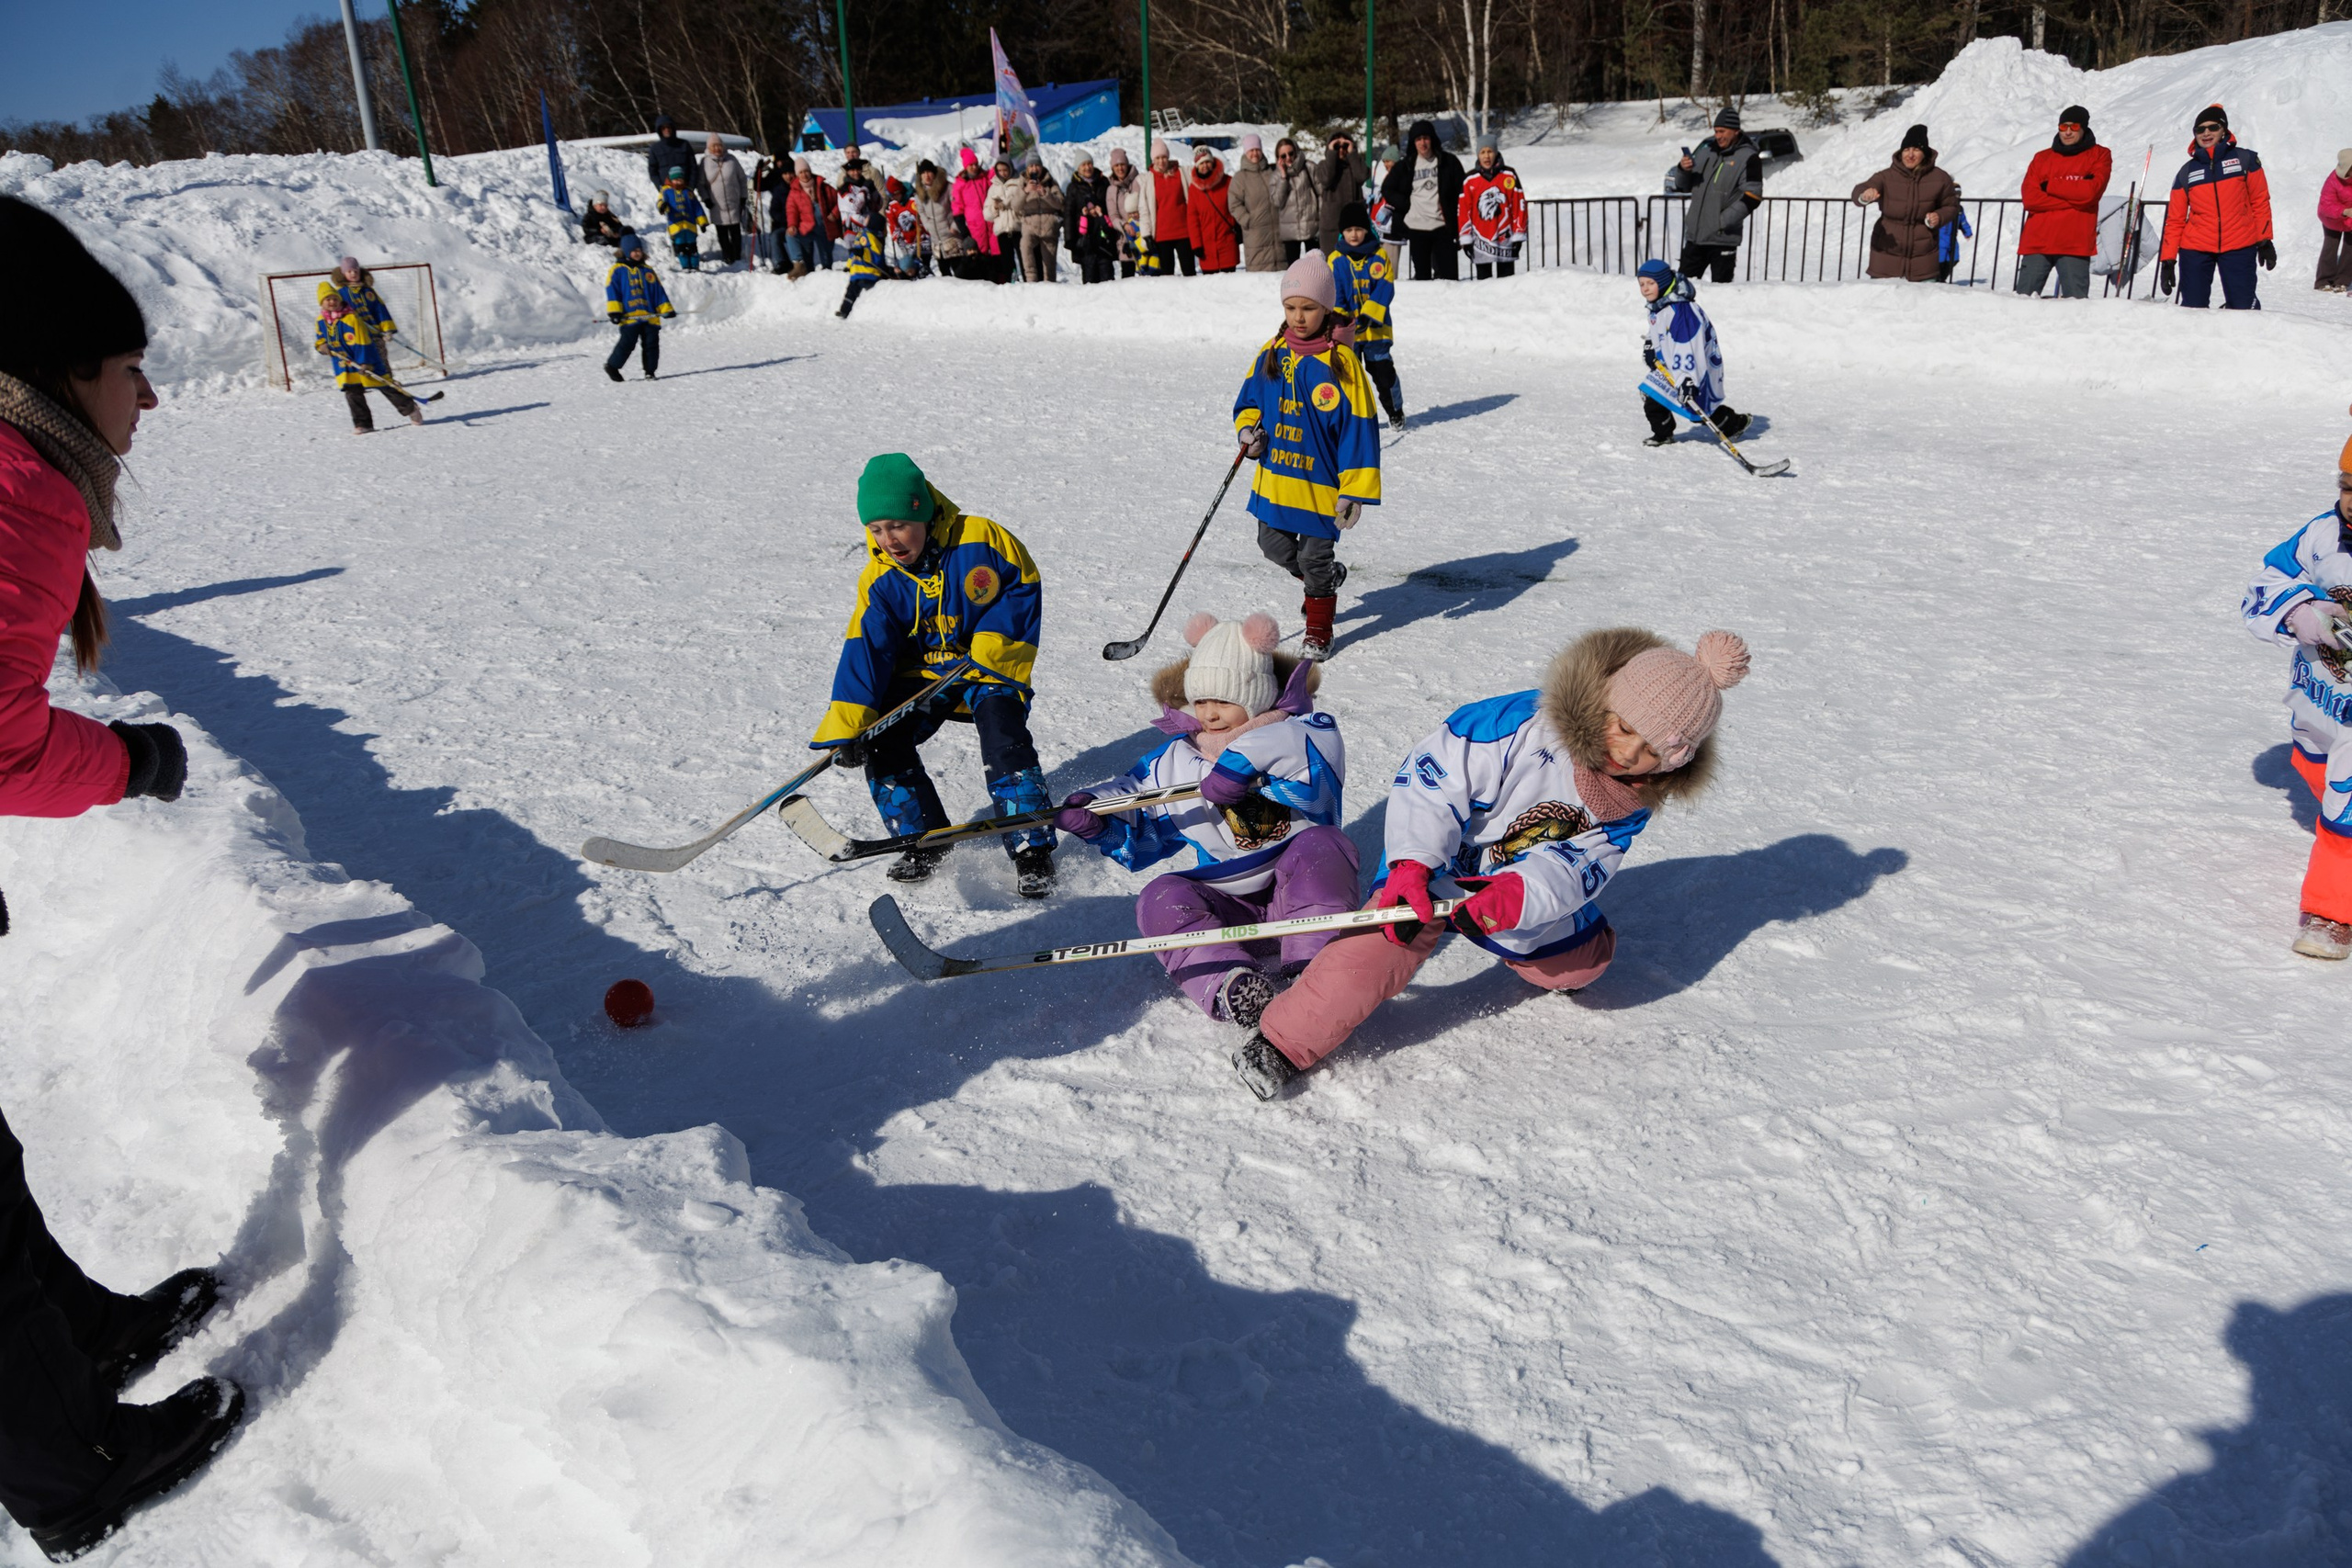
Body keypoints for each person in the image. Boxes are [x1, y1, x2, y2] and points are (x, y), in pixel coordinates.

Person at [0, 192, 243, 1563]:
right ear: (52, 373)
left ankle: (75, 1341)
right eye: (124, 362)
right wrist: (133, 760)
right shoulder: (17, 481)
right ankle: (70, 1468)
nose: (146, 391)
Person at [1231, 626, 1750, 1100]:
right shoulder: (1517, 725)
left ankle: (1576, 938)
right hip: (1433, 865)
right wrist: (1412, 863)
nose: (1629, 752)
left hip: (1515, 889)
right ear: (1605, 701)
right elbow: (1433, 784)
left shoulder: (1629, 800)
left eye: (1654, 750)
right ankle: (1282, 1042)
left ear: (1675, 761)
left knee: (1582, 966)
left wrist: (1521, 896)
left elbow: (1583, 861)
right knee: (1381, 943)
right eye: (1623, 726)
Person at [1054, 612, 1353, 1028]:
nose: (1210, 714)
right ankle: (1229, 981)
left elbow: (1315, 760)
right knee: (1160, 895)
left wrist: (1244, 763)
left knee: (1325, 846)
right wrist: (1098, 812)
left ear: (1257, 697)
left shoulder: (1302, 731)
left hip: (1294, 886)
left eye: (1225, 701)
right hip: (1231, 900)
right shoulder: (1178, 757)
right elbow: (1136, 793)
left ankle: (1314, 966)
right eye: (1202, 701)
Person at [812, 453, 1056, 897]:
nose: (889, 540)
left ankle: (1031, 848)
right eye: (876, 529)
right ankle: (925, 839)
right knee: (882, 740)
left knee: (1004, 739)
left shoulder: (983, 540)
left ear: (922, 511)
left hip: (988, 668)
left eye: (899, 525)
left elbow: (1022, 585)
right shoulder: (880, 578)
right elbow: (866, 651)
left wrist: (991, 647)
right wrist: (847, 728)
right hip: (926, 674)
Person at [1232, 256, 1383, 662]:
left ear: (1326, 308)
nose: (1299, 317)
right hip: (1276, 480)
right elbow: (1250, 401)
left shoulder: (1342, 364)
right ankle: (1325, 582)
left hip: (1320, 488)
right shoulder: (1274, 351)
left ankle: (1319, 628)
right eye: (1291, 307)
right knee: (1272, 546)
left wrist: (1354, 491)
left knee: (1313, 558)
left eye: (1309, 308)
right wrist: (1248, 433)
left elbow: (1360, 430)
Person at [2240, 440, 2352, 956]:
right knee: (2313, 768)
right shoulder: (2322, 535)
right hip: (2317, 701)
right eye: (2347, 487)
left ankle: (2330, 914)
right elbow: (2267, 581)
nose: (2351, 500)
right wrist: (2298, 610)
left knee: (2346, 808)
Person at [2158, 104, 2276, 310]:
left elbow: (2260, 202)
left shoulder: (2244, 160)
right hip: (2196, 248)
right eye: (2200, 129)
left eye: (2213, 127)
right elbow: (2175, 220)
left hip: (2239, 244)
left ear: (2224, 130)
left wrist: (2264, 240)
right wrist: (2168, 260)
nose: (2206, 133)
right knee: (2192, 309)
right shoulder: (2187, 172)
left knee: (2243, 308)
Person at [1635, 258, 1747, 446]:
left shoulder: (1682, 311)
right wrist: (1650, 345)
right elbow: (1658, 329)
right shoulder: (1660, 304)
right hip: (1671, 366)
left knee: (1699, 411)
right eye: (1642, 284)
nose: (1645, 288)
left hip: (1692, 370)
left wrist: (1687, 379)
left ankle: (1736, 423)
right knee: (1652, 397)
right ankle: (1663, 433)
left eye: (1651, 283)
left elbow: (1688, 347)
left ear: (1662, 283)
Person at [2012, 106, 2109, 299]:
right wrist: (2076, 200)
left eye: (2073, 126)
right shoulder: (2042, 158)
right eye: (2063, 126)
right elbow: (2030, 199)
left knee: (2075, 306)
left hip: (2075, 242)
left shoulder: (2100, 155)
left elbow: (2091, 192)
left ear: (2083, 128)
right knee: (2021, 302)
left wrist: (2049, 186)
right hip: (2038, 241)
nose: (2067, 131)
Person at [1851, 124, 1961, 283]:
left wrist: (1939, 216)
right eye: (1906, 150)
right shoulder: (1886, 176)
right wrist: (1864, 195)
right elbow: (1859, 191)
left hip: (1924, 260)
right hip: (1886, 257)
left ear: (1925, 153)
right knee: (1881, 306)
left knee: (1920, 305)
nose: (1910, 155)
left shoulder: (1940, 178)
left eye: (1916, 150)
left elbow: (1951, 206)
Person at [1329, 200, 1404, 429]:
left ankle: (1395, 411)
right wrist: (1345, 320)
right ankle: (1348, 418)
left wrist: (1369, 315)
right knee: (1346, 376)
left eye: (1359, 229)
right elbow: (1335, 294)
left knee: (1383, 374)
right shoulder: (1335, 260)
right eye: (1349, 230)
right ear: (1342, 232)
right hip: (1347, 332)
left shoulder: (1379, 256)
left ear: (1366, 229)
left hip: (1376, 331)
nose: (1354, 234)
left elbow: (1386, 286)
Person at [1668, 107, 1763, 283]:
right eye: (1716, 131)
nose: (1718, 136)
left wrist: (1721, 222)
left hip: (1723, 239)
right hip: (1696, 237)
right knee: (1681, 289)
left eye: (1722, 131)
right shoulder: (1706, 152)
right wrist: (1684, 169)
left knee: (1721, 294)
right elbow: (1682, 186)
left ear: (1736, 131)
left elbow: (1753, 196)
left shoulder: (1749, 157)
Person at [315, 297, 421, 433]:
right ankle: (363, 424)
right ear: (321, 303)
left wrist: (365, 362)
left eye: (334, 299)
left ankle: (410, 408)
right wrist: (321, 346)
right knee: (352, 392)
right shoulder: (321, 321)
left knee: (383, 385)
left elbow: (363, 341)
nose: (332, 302)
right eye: (327, 299)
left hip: (365, 359)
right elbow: (320, 337)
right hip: (343, 363)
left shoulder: (351, 318)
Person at [1382, 120, 1464, 280]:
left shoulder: (1448, 162)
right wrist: (1406, 203)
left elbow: (1462, 190)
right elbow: (1387, 189)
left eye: (1426, 138)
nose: (1422, 143)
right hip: (1417, 227)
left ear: (1432, 138)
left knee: (1449, 278)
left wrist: (1453, 214)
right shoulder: (1405, 165)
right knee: (1422, 278)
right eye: (1418, 139)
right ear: (1414, 142)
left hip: (1443, 226)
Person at [603, 232, 672, 380]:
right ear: (626, 251)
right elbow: (612, 290)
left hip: (650, 316)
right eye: (634, 251)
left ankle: (650, 371)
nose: (637, 253)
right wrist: (615, 311)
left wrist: (666, 309)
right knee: (627, 343)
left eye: (639, 250)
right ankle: (612, 366)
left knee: (651, 344)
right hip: (629, 317)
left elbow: (658, 291)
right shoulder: (617, 270)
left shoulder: (647, 270)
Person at [1458, 132, 1527, 279]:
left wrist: (1519, 235)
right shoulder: (1470, 179)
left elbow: (1519, 205)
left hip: (1506, 241)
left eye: (1490, 151)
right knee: (1484, 286)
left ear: (1496, 152)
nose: (1486, 156)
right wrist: (1466, 239)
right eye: (1482, 152)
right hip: (1481, 242)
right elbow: (1464, 211)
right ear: (1478, 154)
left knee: (1507, 283)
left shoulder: (1509, 175)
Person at [1226, 134, 1283, 272]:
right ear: (1246, 152)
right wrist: (1248, 220)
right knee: (1260, 279)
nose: (1255, 153)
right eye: (1251, 150)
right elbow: (1233, 203)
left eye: (1257, 149)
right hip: (1256, 235)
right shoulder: (1241, 177)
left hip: (1277, 233)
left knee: (1281, 276)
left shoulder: (1272, 171)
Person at [1313, 130, 1371, 255]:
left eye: (1344, 146)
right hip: (1332, 225)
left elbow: (1362, 176)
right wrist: (1331, 154)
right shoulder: (1323, 165)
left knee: (1355, 263)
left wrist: (1352, 154)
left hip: (1355, 225)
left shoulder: (1355, 165)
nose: (1340, 150)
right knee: (1332, 264)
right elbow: (1326, 179)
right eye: (1336, 147)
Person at [1063, 152, 1118, 284]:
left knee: (1107, 276)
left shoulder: (1103, 182)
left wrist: (1100, 211)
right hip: (1085, 239)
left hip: (1103, 237)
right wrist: (1070, 239)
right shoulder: (1074, 187)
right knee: (1089, 277)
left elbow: (1110, 205)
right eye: (1083, 165)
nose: (1087, 167)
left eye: (1089, 164)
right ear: (1078, 168)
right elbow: (1069, 214)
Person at [1186, 145, 1240, 276]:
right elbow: (1192, 218)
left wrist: (1237, 226)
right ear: (1197, 166)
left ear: (1213, 162)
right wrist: (1196, 245)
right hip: (1206, 249)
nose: (1205, 166)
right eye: (1201, 163)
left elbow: (1237, 206)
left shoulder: (1228, 182)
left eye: (1207, 162)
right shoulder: (1194, 189)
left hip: (1227, 244)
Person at [782, 156, 840, 276]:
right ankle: (799, 264)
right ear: (797, 174)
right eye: (801, 172)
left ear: (810, 171)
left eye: (806, 171)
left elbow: (840, 201)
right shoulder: (794, 191)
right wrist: (792, 225)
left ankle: (827, 278)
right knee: (791, 236)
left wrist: (834, 214)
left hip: (824, 228)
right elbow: (791, 210)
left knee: (827, 262)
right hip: (806, 228)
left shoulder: (823, 187)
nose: (804, 175)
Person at [913, 162, 970, 280]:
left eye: (929, 172)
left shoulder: (947, 187)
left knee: (960, 273)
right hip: (936, 241)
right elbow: (921, 212)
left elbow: (958, 207)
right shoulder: (920, 194)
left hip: (952, 237)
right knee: (945, 275)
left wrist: (954, 225)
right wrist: (928, 226)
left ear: (934, 173)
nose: (926, 175)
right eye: (923, 173)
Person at [951, 148, 1000, 281]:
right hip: (975, 228)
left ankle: (1001, 282)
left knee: (997, 254)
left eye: (976, 164)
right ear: (965, 167)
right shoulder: (960, 184)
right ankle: (983, 283)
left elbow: (996, 172)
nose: (974, 167)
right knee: (980, 257)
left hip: (991, 224)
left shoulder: (985, 177)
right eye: (971, 165)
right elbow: (957, 210)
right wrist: (965, 233)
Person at [1012, 156, 1064, 283]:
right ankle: (1031, 281)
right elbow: (1015, 206)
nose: (1034, 169)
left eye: (1037, 165)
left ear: (1041, 167)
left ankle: (1050, 289)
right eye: (1031, 166)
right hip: (1030, 226)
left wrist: (1045, 193)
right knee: (1025, 244)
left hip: (1049, 227)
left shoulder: (1050, 182)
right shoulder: (1023, 183)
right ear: (1027, 168)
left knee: (1049, 267)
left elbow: (1061, 203)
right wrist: (1025, 191)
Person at [314, 254, 393, 336]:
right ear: (343, 273)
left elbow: (379, 309)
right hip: (352, 334)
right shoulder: (339, 293)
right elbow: (332, 312)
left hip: (374, 332)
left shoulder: (367, 291)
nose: (353, 274)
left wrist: (387, 329)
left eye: (356, 271)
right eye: (349, 271)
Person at [1147, 141, 1193, 276]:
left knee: (1189, 272)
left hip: (1184, 232)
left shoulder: (1181, 173)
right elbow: (1145, 209)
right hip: (1162, 234)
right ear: (1153, 160)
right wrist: (1147, 234)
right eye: (1157, 158)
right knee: (1167, 276)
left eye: (1164, 157)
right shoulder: (1149, 179)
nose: (1161, 161)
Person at [699, 136, 747, 267]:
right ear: (709, 148)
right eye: (713, 146)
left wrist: (743, 196)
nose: (717, 149)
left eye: (719, 145)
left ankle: (737, 256)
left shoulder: (732, 160)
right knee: (722, 233)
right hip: (716, 205)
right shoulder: (705, 162)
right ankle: (727, 256)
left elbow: (742, 179)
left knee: (736, 231)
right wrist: (706, 199)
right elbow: (701, 184)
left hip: (734, 202)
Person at [643, 115, 710, 204]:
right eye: (663, 128)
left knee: (691, 216)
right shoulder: (655, 149)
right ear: (659, 130)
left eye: (668, 127)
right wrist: (662, 188)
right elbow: (653, 172)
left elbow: (693, 167)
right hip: (668, 193)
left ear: (673, 128)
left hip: (686, 191)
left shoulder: (684, 145)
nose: (667, 130)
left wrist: (690, 187)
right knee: (674, 217)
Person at [1272, 138, 1319, 265]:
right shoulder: (1276, 176)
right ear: (1278, 158)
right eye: (1283, 155)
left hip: (1312, 227)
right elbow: (1277, 202)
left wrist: (1321, 217)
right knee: (1293, 273)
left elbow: (1322, 194)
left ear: (1296, 151)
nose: (1288, 158)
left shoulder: (1310, 168)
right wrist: (1283, 178)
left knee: (1315, 269)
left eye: (1291, 153)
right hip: (1290, 231)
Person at [656, 167, 708, 271]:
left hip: (690, 225)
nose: (678, 181)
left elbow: (697, 208)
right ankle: (685, 265)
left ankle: (694, 265)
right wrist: (663, 206)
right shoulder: (666, 191)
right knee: (680, 247)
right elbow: (659, 202)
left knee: (692, 246)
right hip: (676, 226)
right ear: (671, 180)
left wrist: (702, 222)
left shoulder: (688, 192)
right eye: (675, 179)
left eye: (680, 179)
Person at [1104, 148, 1147, 276]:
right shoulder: (1111, 190)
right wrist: (1125, 225)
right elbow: (1113, 215)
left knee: (1148, 276)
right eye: (1116, 166)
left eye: (1122, 164)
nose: (1120, 168)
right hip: (1125, 239)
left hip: (1143, 236)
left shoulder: (1139, 182)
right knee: (1127, 278)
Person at [983, 155, 1023, 284]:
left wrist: (1008, 203)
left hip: (1018, 228)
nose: (1002, 173)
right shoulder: (993, 188)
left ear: (1010, 168)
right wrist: (995, 208)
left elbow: (1024, 203)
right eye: (999, 170)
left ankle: (1029, 283)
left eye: (1005, 170)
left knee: (1024, 259)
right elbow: (986, 215)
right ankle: (1012, 283)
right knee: (1007, 261)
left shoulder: (1019, 182)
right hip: (1002, 231)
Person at [835, 223, 887, 318]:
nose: (866, 220)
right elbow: (853, 255)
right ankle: (844, 310)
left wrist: (864, 253)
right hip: (857, 272)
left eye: (868, 219)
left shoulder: (872, 237)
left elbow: (876, 255)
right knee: (850, 290)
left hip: (868, 272)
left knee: (855, 288)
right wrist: (848, 265)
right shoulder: (861, 234)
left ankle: (846, 311)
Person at [2319, 150, 2352, 293]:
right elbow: (2326, 205)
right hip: (2332, 219)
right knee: (2330, 247)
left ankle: (2342, 281)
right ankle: (2323, 280)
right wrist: (2344, 211)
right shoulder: (2333, 180)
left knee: (2350, 248)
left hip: (2350, 219)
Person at [1372, 144, 1406, 276]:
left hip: (1393, 226)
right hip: (1383, 228)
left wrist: (1388, 208)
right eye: (1384, 161)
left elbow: (1400, 196)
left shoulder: (1402, 175)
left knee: (1390, 265)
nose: (1386, 164)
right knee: (1381, 262)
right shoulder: (1390, 175)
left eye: (1388, 161)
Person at [882, 176, 924, 276]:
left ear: (898, 192)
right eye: (890, 195)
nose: (892, 198)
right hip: (906, 244)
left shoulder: (914, 201)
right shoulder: (892, 205)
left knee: (921, 268)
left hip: (921, 242)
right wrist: (902, 243)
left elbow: (923, 223)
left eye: (893, 195)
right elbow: (894, 227)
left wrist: (919, 241)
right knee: (907, 268)